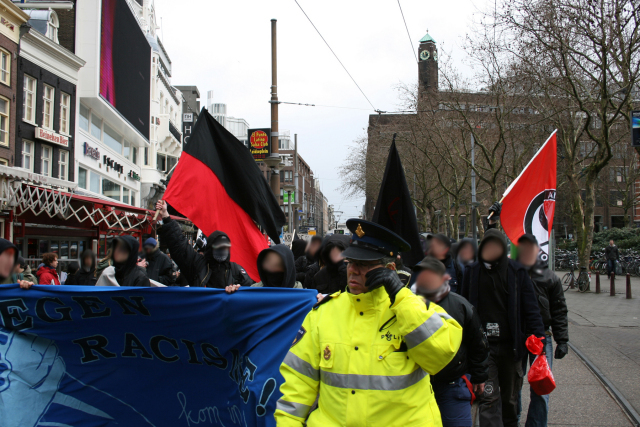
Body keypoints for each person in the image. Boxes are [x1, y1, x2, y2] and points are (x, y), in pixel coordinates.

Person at [274, 219, 463, 426]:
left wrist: (399, 296)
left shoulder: (417, 308)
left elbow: (440, 356)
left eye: (364, 264)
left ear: (390, 268)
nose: (353, 270)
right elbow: (294, 389)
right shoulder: (322, 314)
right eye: (350, 262)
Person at [460, 227, 545, 427]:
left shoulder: (517, 272)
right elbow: (462, 306)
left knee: (509, 400)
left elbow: (530, 308)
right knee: (488, 399)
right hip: (483, 349)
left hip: (511, 348)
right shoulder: (472, 272)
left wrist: (538, 338)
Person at [414, 256, 489, 427]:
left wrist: (479, 376)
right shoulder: (408, 305)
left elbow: (478, 344)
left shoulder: (460, 305)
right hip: (418, 385)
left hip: (453, 383)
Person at [516, 234, 569, 427]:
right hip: (517, 336)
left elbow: (559, 310)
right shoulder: (512, 273)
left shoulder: (550, 277)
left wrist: (562, 340)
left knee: (541, 385)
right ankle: (512, 420)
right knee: (514, 383)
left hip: (542, 336)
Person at [155, 200, 253, 288]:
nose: (222, 250)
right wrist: (166, 216)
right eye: (219, 246)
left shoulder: (236, 271)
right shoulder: (197, 265)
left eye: (225, 247)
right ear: (210, 248)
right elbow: (180, 245)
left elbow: (250, 294)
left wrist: (237, 290)